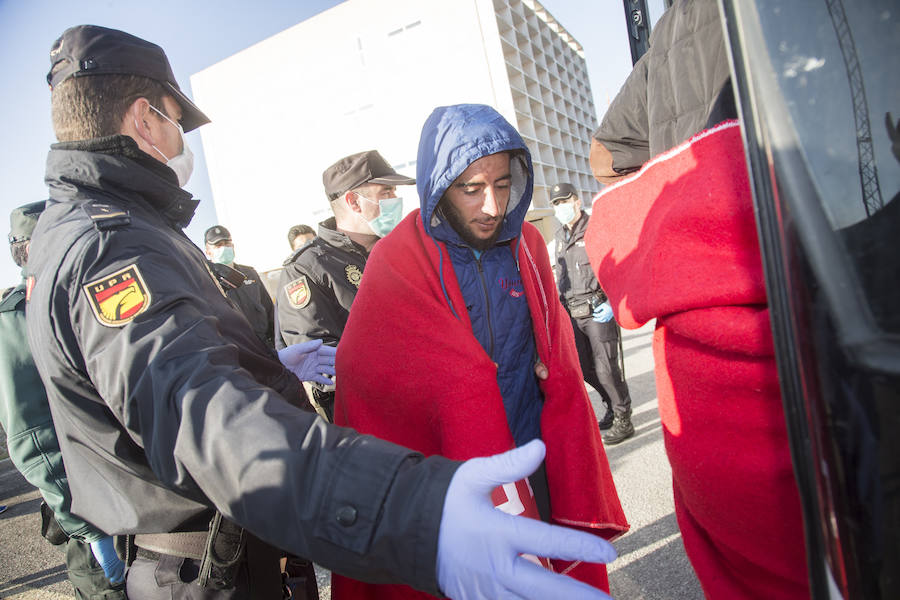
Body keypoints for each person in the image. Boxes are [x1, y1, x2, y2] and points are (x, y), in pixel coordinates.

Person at [28, 24, 618, 600]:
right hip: (202, 564)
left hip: (234, 543)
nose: (183, 143)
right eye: (177, 121)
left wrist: (267, 364)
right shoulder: (111, 248)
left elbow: (172, 379)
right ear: (143, 118)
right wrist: (414, 511)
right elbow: (209, 425)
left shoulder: (120, 233)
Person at [332, 103, 629, 599]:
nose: (491, 206)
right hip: (451, 471)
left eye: (503, 184)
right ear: (438, 186)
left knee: (543, 578)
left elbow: (555, 349)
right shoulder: (397, 260)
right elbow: (365, 378)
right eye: (471, 189)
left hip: (531, 452)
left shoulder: (528, 244)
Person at [585, 0, 809, 598]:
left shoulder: (666, 38)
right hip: (804, 278)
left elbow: (605, 154)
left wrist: (673, 214)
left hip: (694, 345)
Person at [0, 201, 126, 598]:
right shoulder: (16, 318)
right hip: (95, 513)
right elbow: (34, 437)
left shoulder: (90, 294)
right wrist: (91, 530)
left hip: (141, 499)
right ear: (29, 249)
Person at [276, 150, 415, 420]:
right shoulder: (306, 268)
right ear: (354, 201)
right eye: (385, 192)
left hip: (422, 401)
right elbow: (321, 360)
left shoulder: (398, 249)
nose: (395, 200)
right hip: (368, 417)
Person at [549, 183, 633, 444]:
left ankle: (624, 418)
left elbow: (618, 267)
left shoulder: (596, 229)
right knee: (586, 370)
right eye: (556, 203)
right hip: (573, 314)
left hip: (598, 310)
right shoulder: (560, 238)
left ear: (577, 200)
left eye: (565, 201)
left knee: (607, 369)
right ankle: (610, 404)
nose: (561, 207)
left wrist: (611, 301)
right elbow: (560, 278)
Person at [204, 224, 276, 347]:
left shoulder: (250, 273)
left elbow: (269, 309)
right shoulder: (206, 279)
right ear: (208, 252)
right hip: (237, 350)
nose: (224, 248)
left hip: (265, 344)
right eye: (218, 245)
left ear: (233, 246)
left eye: (227, 243)